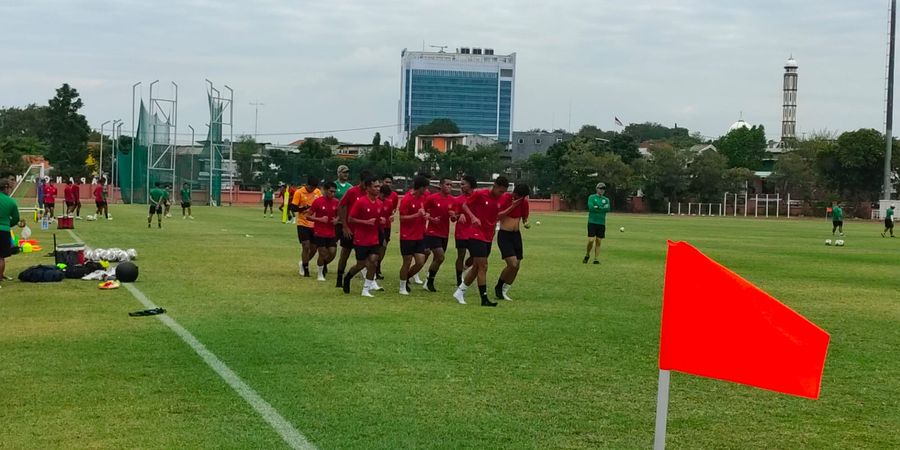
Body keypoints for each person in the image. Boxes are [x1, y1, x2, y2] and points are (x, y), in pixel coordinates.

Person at [453, 176, 518, 307]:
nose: (501, 194)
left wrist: (512, 207)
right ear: (494, 185)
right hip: (476, 234)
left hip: (488, 235)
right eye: (500, 191)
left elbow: (498, 215)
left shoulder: (501, 199)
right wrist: (473, 217)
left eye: (504, 192)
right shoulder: (480, 194)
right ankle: (484, 299)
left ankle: (460, 291)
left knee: (477, 267)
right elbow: (464, 205)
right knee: (483, 266)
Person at [342, 175, 384, 297]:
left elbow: (378, 219)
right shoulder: (361, 202)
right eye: (375, 186)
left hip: (374, 238)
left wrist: (381, 220)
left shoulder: (379, 203)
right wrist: (365, 222)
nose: (378, 189)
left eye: (379, 186)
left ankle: (366, 289)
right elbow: (351, 218)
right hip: (361, 239)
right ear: (368, 187)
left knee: (373, 262)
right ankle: (348, 277)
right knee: (361, 264)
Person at [335, 170, 371, 288]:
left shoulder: (369, 194)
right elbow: (341, 206)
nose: (367, 187)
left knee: (365, 258)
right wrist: (344, 226)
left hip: (362, 232)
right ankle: (339, 277)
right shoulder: (352, 191)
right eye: (366, 184)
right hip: (350, 229)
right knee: (345, 253)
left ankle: (367, 280)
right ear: (361, 182)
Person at [495, 183, 531, 301]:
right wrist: (513, 205)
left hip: (516, 235)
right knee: (512, 264)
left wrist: (526, 223)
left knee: (517, 266)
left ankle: (505, 290)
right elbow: (498, 216)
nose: (520, 199)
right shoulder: (505, 198)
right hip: (505, 235)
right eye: (518, 196)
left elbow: (524, 217)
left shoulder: (524, 202)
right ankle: (499, 286)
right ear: (514, 192)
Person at [422, 177, 456, 292]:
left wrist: (453, 216)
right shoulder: (432, 198)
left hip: (444, 233)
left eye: (451, 185)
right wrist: (431, 219)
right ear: (441, 185)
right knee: (440, 256)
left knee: (438, 259)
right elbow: (423, 212)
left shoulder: (452, 200)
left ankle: (428, 280)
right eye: (447, 184)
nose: (449, 187)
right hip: (432, 232)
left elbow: (453, 219)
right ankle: (430, 281)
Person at [398, 175, 430, 295]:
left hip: (419, 235)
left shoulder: (423, 198)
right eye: (425, 188)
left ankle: (406, 278)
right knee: (407, 261)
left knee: (420, 261)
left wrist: (426, 216)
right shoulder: (407, 199)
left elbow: (423, 212)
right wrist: (415, 215)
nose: (427, 190)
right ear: (421, 187)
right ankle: (402, 287)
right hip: (407, 236)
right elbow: (401, 218)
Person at [309, 182, 339, 281]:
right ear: (325, 190)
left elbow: (340, 214)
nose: (333, 194)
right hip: (320, 232)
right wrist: (319, 219)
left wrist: (337, 219)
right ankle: (320, 274)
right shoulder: (317, 202)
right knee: (322, 253)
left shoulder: (336, 202)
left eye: (334, 192)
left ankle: (323, 264)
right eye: (331, 191)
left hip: (331, 232)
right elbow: (308, 216)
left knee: (332, 252)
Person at [292, 176, 321, 277]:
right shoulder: (299, 192)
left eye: (314, 188)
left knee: (314, 248)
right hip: (302, 222)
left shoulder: (318, 192)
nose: (312, 190)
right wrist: (303, 208)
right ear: (307, 185)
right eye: (311, 187)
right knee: (306, 246)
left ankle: (304, 262)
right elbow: (293, 208)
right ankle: (306, 268)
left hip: (314, 223)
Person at [1, 179, 27, 287]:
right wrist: (8, 224)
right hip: (4, 231)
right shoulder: (11, 202)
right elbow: (16, 219)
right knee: (1, 257)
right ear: (6, 188)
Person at [453, 176, 477, 286]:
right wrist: (458, 215)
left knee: (475, 256)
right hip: (461, 231)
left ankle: (464, 268)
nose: (461, 186)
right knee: (461, 255)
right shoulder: (458, 200)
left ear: (470, 185)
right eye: (460, 184)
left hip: (475, 232)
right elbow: (453, 218)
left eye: (463, 184)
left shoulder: (478, 198)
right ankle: (459, 279)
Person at [375, 174, 399, 279]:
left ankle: (377, 266)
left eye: (390, 182)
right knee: (377, 247)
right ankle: (373, 268)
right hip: (376, 227)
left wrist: (391, 217)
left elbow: (392, 211)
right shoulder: (375, 197)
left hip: (386, 227)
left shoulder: (392, 197)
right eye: (386, 182)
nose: (388, 184)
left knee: (383, 247)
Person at [584, 182, 611, 264]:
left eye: (603, 189)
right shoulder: (592, 197)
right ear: (597, 189)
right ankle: (587, 254)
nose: (602, 190)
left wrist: (598, 207)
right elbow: (591, 208)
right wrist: (601, 208)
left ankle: (596, 259)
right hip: (592, 221)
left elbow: (607, 209)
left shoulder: (606, 199)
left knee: (599, 241)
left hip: (601, 222)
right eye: (600, 188)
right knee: (591, 240)